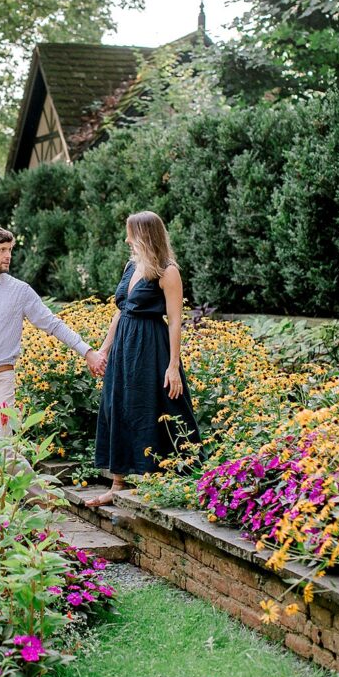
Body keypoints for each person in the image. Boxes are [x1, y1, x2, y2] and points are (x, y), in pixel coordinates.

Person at [0, 226, 105, 477]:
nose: (8, 255)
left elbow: (52, 323)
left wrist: (87, 351)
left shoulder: (20, 291)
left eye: (10, 250)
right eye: (2, 250)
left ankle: (41, 500)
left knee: (3, 450)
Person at [86, 210, 201, 507]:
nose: (126, 239)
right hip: (124, 345)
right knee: (118, 406)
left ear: (145, 235)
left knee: (155, 404)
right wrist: (103, 350)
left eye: (130, 233)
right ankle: (117, 484)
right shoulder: (130, 266)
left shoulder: (167, 270)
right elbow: (120, 311)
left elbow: (175, 320)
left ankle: (169, 478)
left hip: (151, 346)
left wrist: (173, 366)